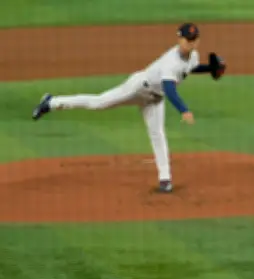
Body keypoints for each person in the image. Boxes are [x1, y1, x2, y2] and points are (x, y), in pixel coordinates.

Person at [31, 23, 226, 193]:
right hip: (138, 88)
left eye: (193, 40)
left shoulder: (192, 56)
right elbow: (170, 88)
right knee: (99, 103)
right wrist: (184, 109)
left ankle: (165, 179)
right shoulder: (170, 62)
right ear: (179, 39)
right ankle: (51, 102)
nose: (190, 44)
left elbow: (189, 68)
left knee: (157, 134)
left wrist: (209, 69)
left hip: (155, 99)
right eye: (187, 40)